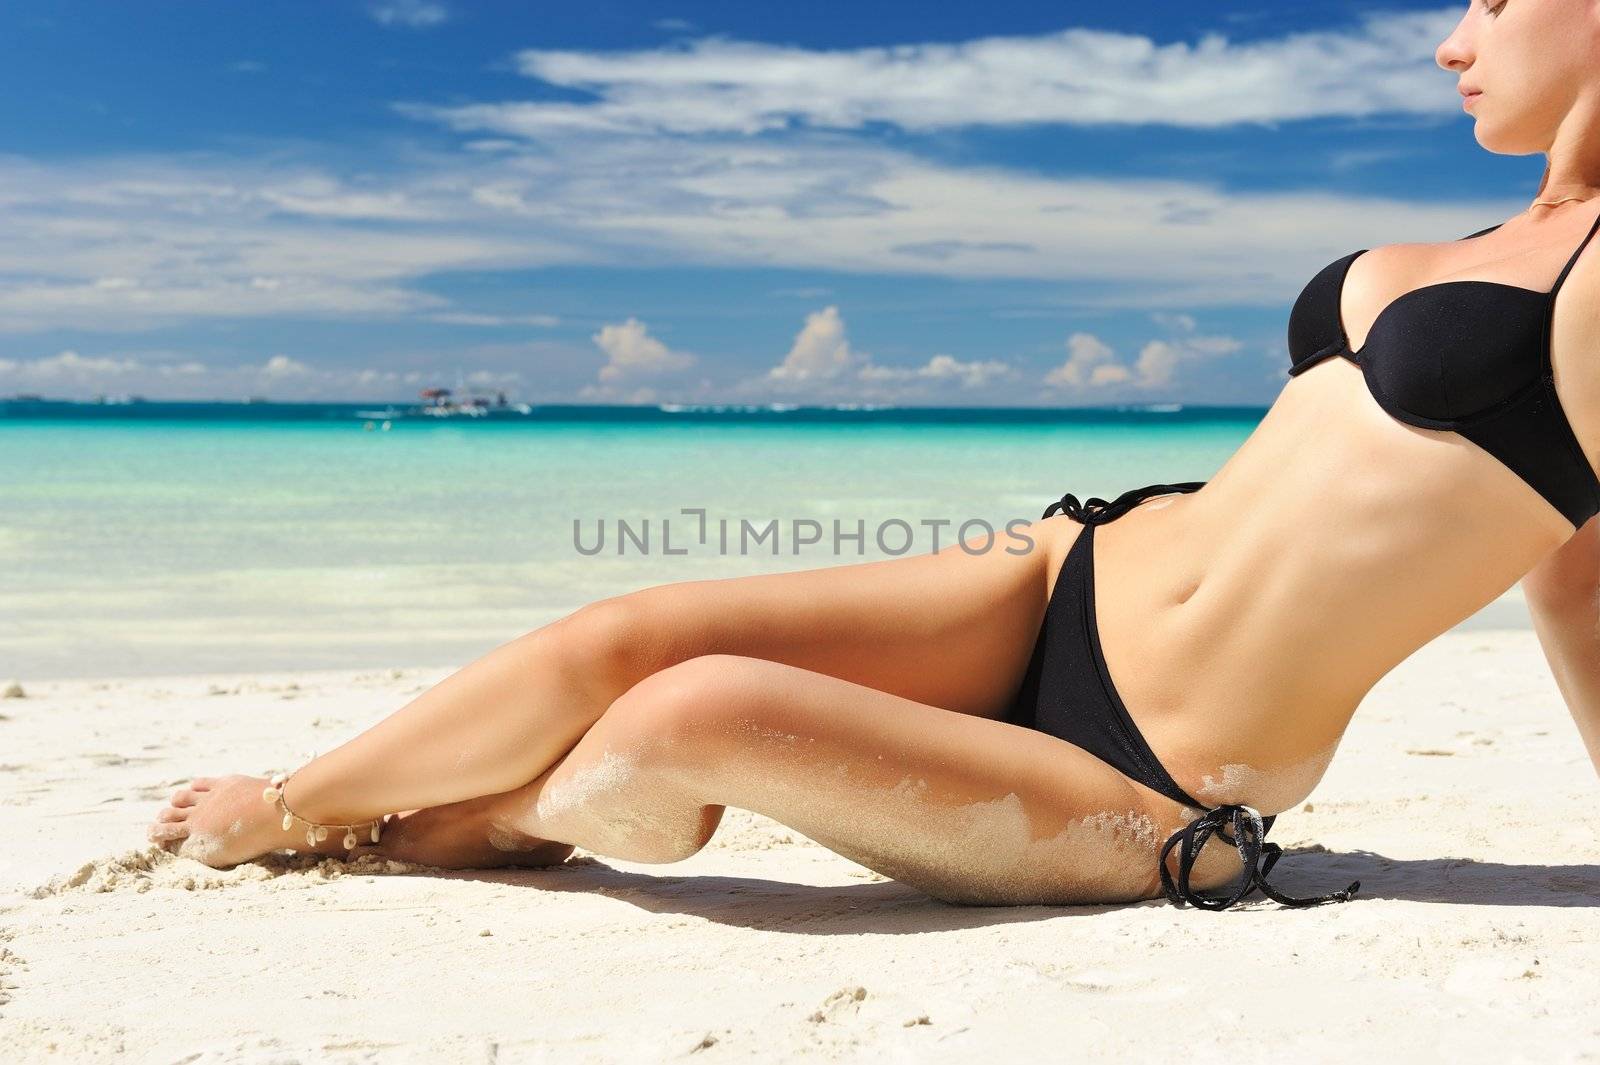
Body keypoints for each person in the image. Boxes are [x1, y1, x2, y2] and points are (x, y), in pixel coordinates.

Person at [148, 2, 1600, 910]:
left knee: (691, 711)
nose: (1449, 39)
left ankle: (495, 820)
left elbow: (1581, 587)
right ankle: (294, 803)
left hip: (1154, 779)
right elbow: (1565, 566)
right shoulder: (1492, 243)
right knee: (634, 629)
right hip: (1060, 574)